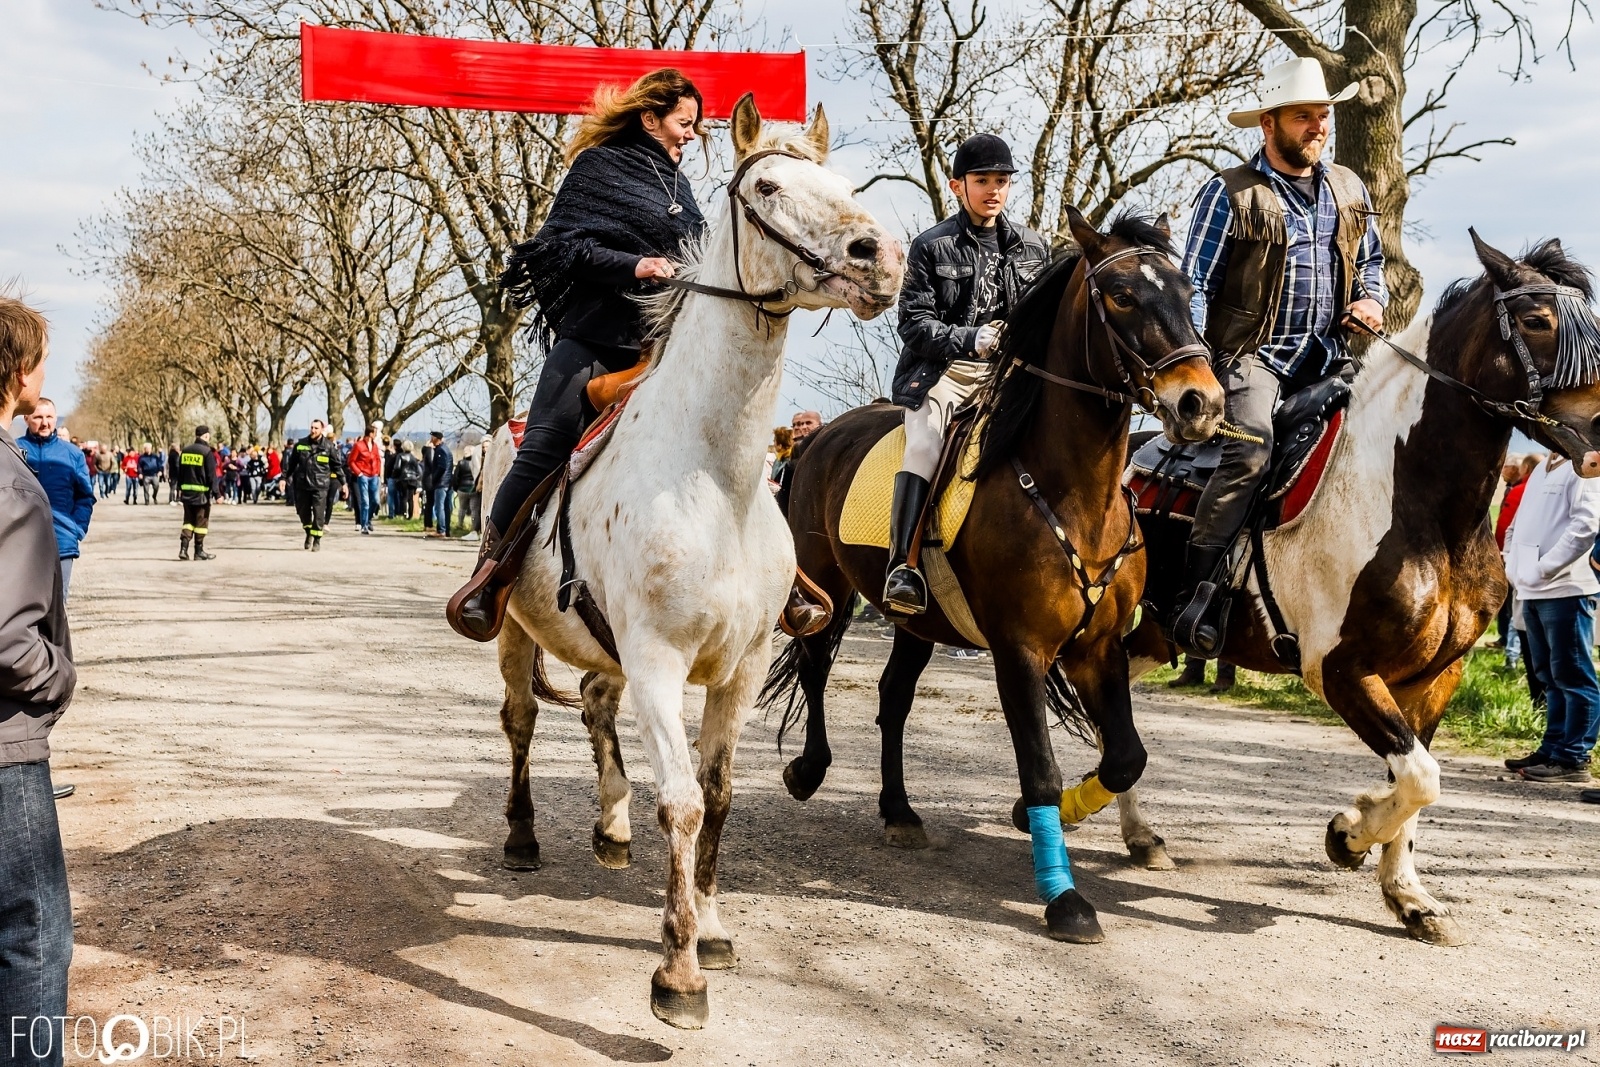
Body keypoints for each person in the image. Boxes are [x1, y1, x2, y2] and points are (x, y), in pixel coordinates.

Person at [452, 68, 709, 639]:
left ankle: (768, 577)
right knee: (543, 446)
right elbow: (560, 248)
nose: (690, 135)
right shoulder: (597, 168)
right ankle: (489, 577)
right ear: (650, 118)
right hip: (594, 339)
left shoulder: (682, 188)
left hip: (663, 346)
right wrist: (632, 265)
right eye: (682, 123)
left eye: (695, 126)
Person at [1171, 58, 1387, 654]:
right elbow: (1195, 286)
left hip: (1333, 354)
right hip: (1253, 357)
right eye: (1304, 117)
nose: (1318, 126)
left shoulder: (1350, 187)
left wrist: (1371, 300)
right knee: (1250, 455)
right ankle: (1197, 596)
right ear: (1269, 124)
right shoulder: (1228, 192)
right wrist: (1202, 369)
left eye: (1324, 115)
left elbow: (1371, 265)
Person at [883, 133, 1049, 615]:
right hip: (945, 372)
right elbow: (913, 325)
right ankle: (903, 566)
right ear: (958, 186)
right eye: (982, 181)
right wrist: (970, 337)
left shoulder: (1035, 246)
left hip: (1012, 374)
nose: (993, 189)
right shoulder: (930, 247)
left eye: (1002, 181)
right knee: (925, 443)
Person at [0, 294, 76, 1064]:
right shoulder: (11, 484)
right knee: (34, 938)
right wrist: (56, 679)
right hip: (5, 743)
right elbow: (5, 639)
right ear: (20, 372)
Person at [1503, 451, 1600, 782]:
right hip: (1532, 588)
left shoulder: (1583, 466)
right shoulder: (1545, 464)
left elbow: (1586, 524)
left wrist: (1544, 569)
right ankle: (1553, 747)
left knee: (1573, 676)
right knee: (1548, 675)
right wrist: (1514, 568)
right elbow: (1520, 522)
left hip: (1567, 589)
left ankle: (1574, 758)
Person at [18, 398, 95, 601]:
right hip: (22, 542)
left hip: (62, 541)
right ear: (26, 418)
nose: (45, 422)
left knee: (58, 605)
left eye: (49, 417)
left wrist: (76, 529)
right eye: (38, 417)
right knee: (26, 606)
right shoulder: (13, 450)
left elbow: (85, 496)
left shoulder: (73, 454)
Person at [284, 418, 339, 550]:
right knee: (303, 513)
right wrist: (284, 477)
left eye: (316, 428)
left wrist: (344, 484)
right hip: (302, 484)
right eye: (312, 428)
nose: (313, 430)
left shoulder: (328, 446)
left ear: (321, 430)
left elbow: (337, 466)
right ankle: (308, 533)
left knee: (319, 513)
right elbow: (291, 464)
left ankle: (317, 540)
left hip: (320, 485)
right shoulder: (301, 444)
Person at [175, 426, 218, 561]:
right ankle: (198, 551)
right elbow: (212, 475)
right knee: (201, 522)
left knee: (188, 521)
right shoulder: (206, 452)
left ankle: (183, 549)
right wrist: (217, 494)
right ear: (205, 436)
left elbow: (180, 473)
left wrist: (179, 490)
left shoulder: (186, 451)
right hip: (201, 496)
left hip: (187, 494)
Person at [347, 423, 384, 534]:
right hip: (363, 475)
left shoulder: (375, 446)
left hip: (374, 476)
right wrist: (359, 473)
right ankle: (364, 525)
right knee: (365, 501)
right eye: (375, 433)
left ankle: (368, 519)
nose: (376, 435)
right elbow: (351, 461)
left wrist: (378, 473)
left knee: (376, 500)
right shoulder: (358, 446)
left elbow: (377, 459)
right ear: (370, 433)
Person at [451, 442, 481, 540]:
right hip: (473, 489)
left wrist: (456, 488)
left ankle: (460, 524)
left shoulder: (461, 463)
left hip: (462, 489)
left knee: (462, 508)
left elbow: (456, 477)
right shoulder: (477, 462)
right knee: (474, 510)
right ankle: (474, 528)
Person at [426, 431, 454, 538]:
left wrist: (434, 478)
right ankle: (446, 530)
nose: (430, 439)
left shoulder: (440, 450)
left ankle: (441, 530)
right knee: (446, 507)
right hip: (448, 482)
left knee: (439, 507)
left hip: (441, 483)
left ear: (436, 438)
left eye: (432, 437)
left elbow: (442, 467)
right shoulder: (447, 449)